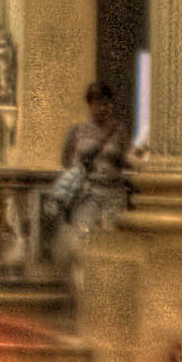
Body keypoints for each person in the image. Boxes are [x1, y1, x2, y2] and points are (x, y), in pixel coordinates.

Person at [48, 78, 131, 253]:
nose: (102, 108)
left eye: (106, 104)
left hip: (113, 193)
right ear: (90, 104)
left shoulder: (119, 130)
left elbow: (125, 160)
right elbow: (66, 161)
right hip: (87, 193)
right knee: (82, 241)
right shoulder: (78, 131)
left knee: (113, 242)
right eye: (98, 103)